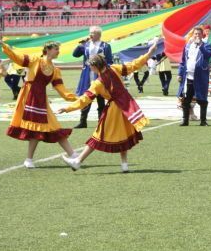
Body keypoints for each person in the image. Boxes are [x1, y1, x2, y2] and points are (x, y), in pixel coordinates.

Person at [58, 41, 159, 173]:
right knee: (124, 135)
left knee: (98, 135)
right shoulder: (115, 68)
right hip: (127, 106)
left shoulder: (97, 83)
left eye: (91, 67)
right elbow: (134, 65)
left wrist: (67, 108)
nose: (91, 69)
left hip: (114, 109)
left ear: (95, 67)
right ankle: (124, 165)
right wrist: (149, 53)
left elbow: (84, 100)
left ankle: (77, 161)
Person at [0, 36, 78, 168]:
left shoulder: (55, 70)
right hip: (29, 96)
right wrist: (3, 44)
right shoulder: (35, 60)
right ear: (48, 50)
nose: (58, 51)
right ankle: (31, 159)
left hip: (41, 99)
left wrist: (77, 98)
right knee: (38, 127)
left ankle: (72, 155)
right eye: (56, 49)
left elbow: (61, 89)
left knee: (52, 127)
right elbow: (18, 58)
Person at [73, 26, 113, 129]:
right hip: (87, 75)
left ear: (98, 35)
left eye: (93, 33)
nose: (90, 35)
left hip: (100, 75)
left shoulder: (105, 46)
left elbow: (110, 61)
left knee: (100, 99)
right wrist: (80, 44)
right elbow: (75, 54)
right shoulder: (85, 45)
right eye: (90, 32)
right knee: (87, 97)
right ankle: (83, 121)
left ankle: (101, 121)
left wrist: (102, 68)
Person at [177, 27, 211, 126]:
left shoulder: (207, 45)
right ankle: (185, 120)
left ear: (202, 35)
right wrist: (180, 73)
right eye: (195, 34)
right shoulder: (188, 46)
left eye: (199, 34)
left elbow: (208, 55)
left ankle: (203, 121)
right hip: (188, 77)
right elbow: (183, 61)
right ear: (193, 35)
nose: (197, 35)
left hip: (200, 77)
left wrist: (200, 46)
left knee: (202, 99)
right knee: (185, 99)